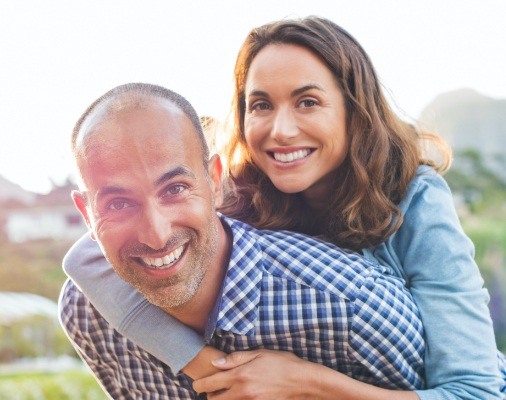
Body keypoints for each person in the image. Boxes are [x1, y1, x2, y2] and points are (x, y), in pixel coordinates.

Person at [63, 16, 506, 400]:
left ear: (354, 109)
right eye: (260, 105)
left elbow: (474, 390)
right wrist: (199, 363)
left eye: (307, 102)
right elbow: (85, 257)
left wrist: (308, 384)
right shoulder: (238, 188)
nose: (281, 130)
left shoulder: (416, 200)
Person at [60, 82, 428, 399]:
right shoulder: (87, 311)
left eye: (175, 189)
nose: (156, 235)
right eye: (119, 203)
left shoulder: (353, 307)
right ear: (86, 214)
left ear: (215, 181)